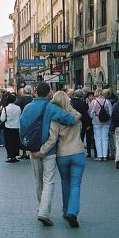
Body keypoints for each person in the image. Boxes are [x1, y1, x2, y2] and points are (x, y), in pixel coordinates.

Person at [24, 83, 75, 226]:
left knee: (38, 181)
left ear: (35, 93)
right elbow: (69, 119)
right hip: (49, 151)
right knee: (49, 181)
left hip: (33, 150)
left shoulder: (27, 108)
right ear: (49, 94)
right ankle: (43, 212)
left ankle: (42, 208)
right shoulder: (51, 107)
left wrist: (28, 145)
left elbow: (22, 127)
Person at [36, 91, 85, 228]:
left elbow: (52, 140)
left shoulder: (55, 118)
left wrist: (40, 152)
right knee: (75, 184)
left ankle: (65, 210)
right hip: (78, 152)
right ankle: (72, 212)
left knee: (65, 182)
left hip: (62, 154)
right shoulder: (75, 114)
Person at [88, 89, 112, 162]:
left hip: (96, 122)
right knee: (105, 138)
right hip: (106, 122)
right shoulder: (107, 101)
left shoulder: (94, 102)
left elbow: (90, 113)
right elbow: (111, 112)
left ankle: (99, 156)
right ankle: (105, 156)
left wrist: (94, 117)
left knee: (98, 139)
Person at [0, 93, 22, 162]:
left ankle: (10, 156)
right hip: (16, 127)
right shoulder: (18, 108)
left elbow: (2, 119)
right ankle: (15, 156)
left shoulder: (5, 108)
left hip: (8, 127)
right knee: (16, 142)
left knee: (9, 143)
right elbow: (20, 117)